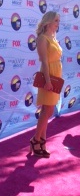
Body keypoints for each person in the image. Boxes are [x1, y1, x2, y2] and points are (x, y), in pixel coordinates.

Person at [30, 11, 62, 158]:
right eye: (56, 20)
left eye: (58, 21)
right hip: (48, 76)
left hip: (56, 75)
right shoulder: (42, 39)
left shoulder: (53, 38)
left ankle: (42, 140)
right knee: (46, 110)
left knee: (49, 110)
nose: (57, 23)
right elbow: (44, 62)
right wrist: (48, 81)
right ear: (48, 22)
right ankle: (36, 140)